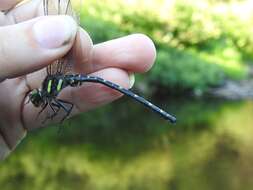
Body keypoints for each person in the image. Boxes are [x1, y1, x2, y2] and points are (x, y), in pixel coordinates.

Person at [0, 0, 156, 160]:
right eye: (36, 100)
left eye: (35, 100)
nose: (35, 101)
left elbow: (63, 108)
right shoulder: (47, 90)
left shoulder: (47, 91)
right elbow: (62, 108)